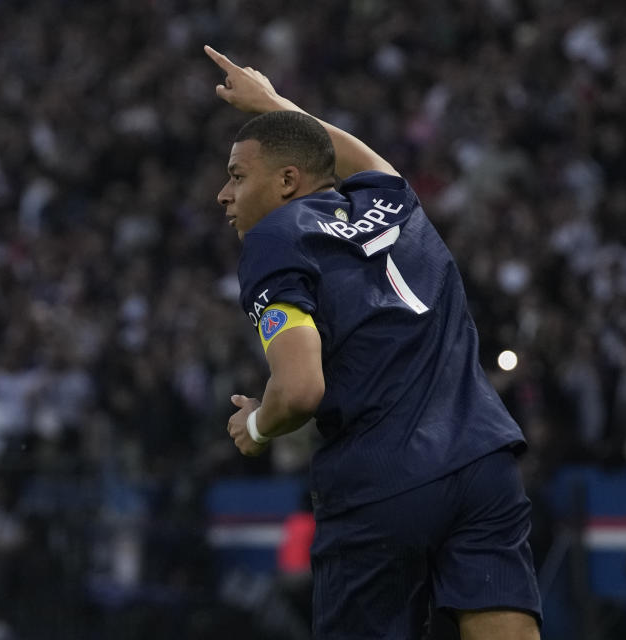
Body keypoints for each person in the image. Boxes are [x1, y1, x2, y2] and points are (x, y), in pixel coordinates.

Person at [204, 45, 542, 639]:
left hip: (381, 483)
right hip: (482, 460)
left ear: (287, 181)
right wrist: (276, 104)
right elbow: (357, 160)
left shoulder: (275, 240)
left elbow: (302, 389)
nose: (223, 196)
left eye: (236, 176)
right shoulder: (391, 202)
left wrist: (257, 426)